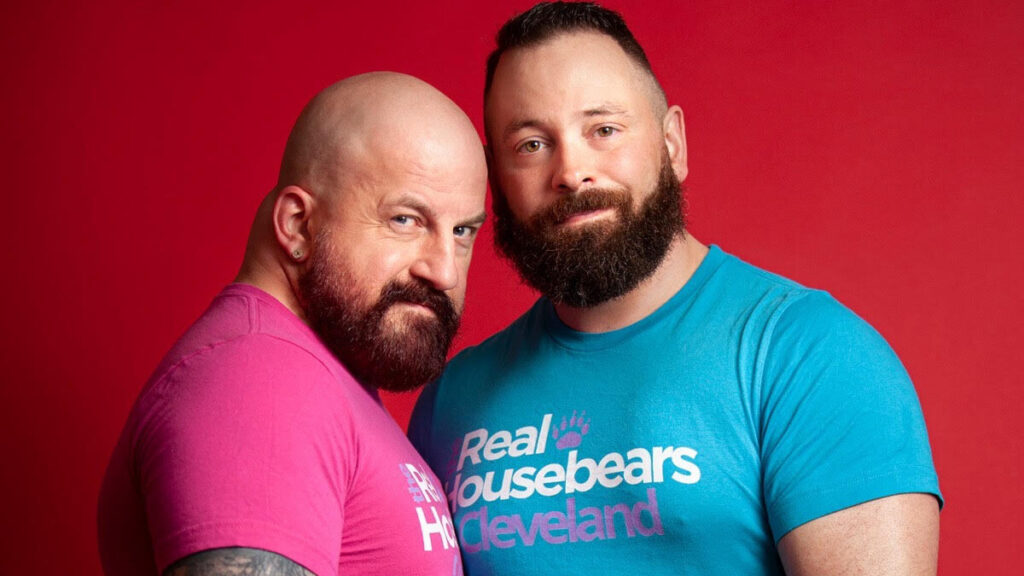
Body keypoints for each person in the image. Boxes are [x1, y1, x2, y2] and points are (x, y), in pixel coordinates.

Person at [408, 3, 942, 574]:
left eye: (604, 130)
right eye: (531, 145)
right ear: (495, 178)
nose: (571, 172)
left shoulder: (811, 356)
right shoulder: (450, 403)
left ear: (672, 145)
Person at [98, 72, 487, 576]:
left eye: (462, 231)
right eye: (405, 220)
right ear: (298, 225)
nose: (445, 271)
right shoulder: (257, 382)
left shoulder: (314, 378)